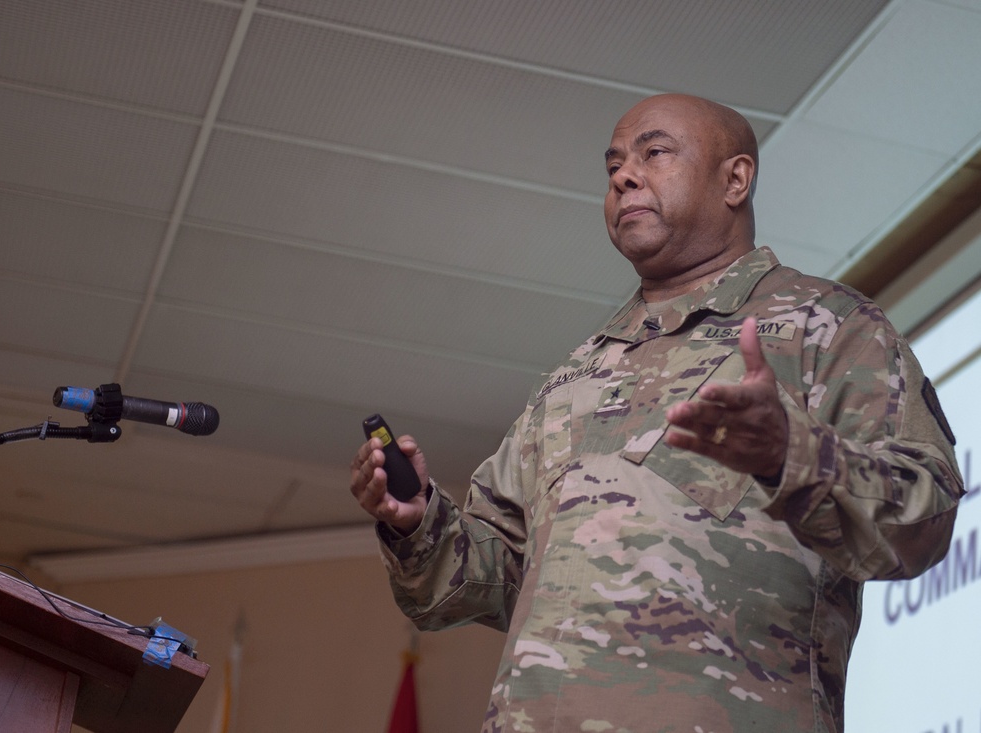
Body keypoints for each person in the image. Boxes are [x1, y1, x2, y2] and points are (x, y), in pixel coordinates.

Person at [349, 94, 964, 732]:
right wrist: (417, 522)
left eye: (655, 153)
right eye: (613, 164)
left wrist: (793, 455)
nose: (623, 176)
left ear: (736, 179)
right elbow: (493, 572)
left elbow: (924, 523)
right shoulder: (577, 372)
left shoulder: (829, 329)